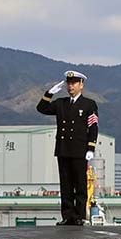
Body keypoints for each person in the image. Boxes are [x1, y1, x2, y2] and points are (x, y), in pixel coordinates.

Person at [37, 71, 99, 226]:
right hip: (63, 149)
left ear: (81, 85)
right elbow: (42, 108)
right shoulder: (61, 103)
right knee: (65, 185)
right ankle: (67, 216)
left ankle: (79, 216)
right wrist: (49, 93)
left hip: (79, 150)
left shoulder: (89, 104)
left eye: (74, 83)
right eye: (69, 83)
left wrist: (91, 147)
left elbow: (93, 127)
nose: (70, 86)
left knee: (80, 185)